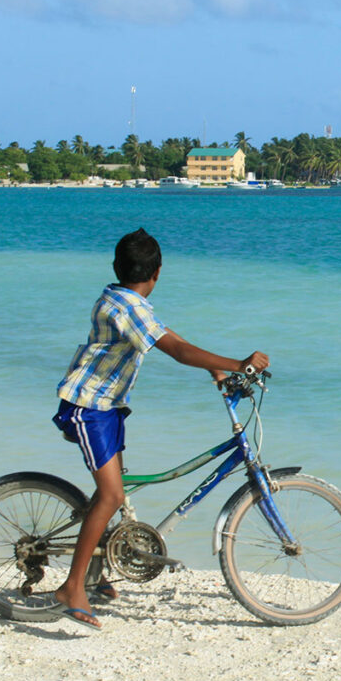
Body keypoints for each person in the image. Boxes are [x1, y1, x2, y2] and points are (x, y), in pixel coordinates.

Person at [51, 228, 269, 630]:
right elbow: (178, 351)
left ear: (118, 267)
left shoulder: (123, 299)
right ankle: (71, 588)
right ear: (157, 272)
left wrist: (215, 368)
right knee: (113, 494)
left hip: (106, 406)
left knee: (113, 493)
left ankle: (96, 574)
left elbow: (170, 337)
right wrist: (241, 364)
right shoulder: (129, 308)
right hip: (89, 408)